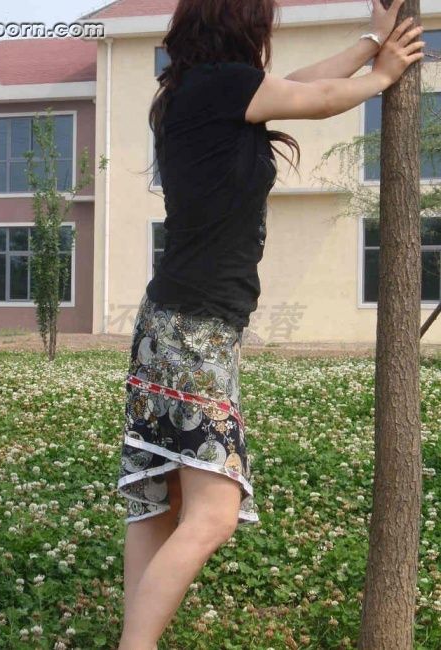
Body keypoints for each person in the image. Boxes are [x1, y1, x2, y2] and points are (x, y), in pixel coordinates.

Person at [116, 0, 425, 647]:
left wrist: (370, 42)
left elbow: (300, 83)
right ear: (241, 23)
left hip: (172, 326)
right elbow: (318, 99)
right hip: (193, 331)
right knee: (212, 513)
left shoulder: (195, 91)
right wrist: (381, 76)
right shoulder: (223, 86)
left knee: (163, 502)